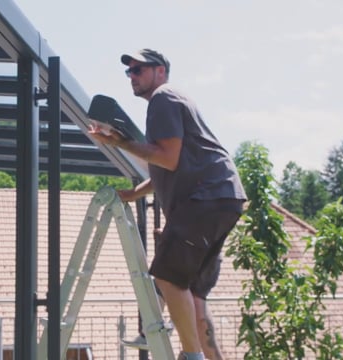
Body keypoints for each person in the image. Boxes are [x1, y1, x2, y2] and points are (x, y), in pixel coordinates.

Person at [88, 49, 247, 360]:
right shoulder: (173, 102)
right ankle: (194, 351)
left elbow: (167, 158)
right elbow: (168, 165)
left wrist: (120, 142)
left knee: (166, 276)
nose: (132, 76)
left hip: (205, 198)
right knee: (191, 292)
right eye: (129, 72)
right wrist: (134, 194)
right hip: (221, 197)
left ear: (160, 71)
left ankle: (190, 356)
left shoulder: (163, 98)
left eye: (138, 70)